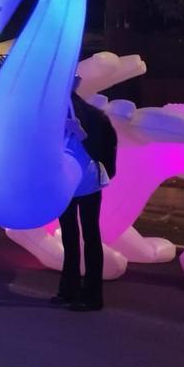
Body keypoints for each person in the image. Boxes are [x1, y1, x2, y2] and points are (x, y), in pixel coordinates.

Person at [53, 75, 117, 312]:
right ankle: (68, 289)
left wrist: (82, 134)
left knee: (90, 235)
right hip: (65, 184)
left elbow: (105, 148)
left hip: (88, 182)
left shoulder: (92, 115)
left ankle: (92, 295)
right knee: (69, 236)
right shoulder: (54, 112)